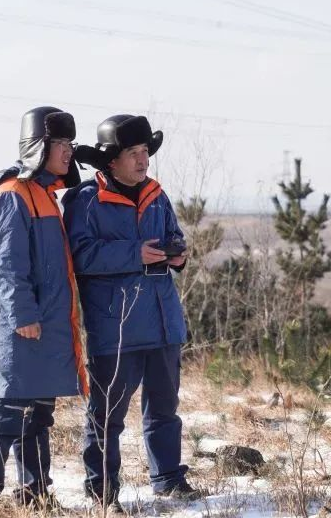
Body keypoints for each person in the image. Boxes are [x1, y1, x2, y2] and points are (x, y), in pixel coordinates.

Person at [64, 114, 202, 512]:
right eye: (134, 154)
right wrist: (134, 253)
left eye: (145, 152)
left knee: (165, 410)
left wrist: (178, 253)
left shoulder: (157, 194)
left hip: (163, 322)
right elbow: (80, 255)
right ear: (111, 160)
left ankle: (169, 479)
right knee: (106, 418)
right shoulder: (85, 201)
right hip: (116, 328)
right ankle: (103, 493)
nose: (143, 161)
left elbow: (174, 235)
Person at [0, 106, 87, 508]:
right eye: (60, 144)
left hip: (44, 325)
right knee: (10, 410)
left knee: (39, 413)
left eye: (70, 143)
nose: (68, 152)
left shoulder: (45, 195)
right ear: (39, 146)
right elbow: (6, 263)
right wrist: (23, 316)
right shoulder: (11, 194)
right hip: (21, 326)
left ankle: (35, 494)